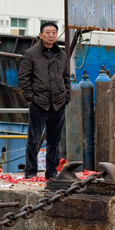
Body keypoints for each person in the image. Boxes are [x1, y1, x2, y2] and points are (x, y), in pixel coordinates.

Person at [18, 21, 70, 180]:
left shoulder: (62, 55)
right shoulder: (30, 54)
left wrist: (66, 95)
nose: (51, 35)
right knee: (33, 139)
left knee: (54, 140)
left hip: (58, 103)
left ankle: (52, 172)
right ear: (41, 35)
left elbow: (66, 77)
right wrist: (31, 97)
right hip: (39, 103)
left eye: (54, 32)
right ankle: (31, 171)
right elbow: (23, 78)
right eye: (47, 32)